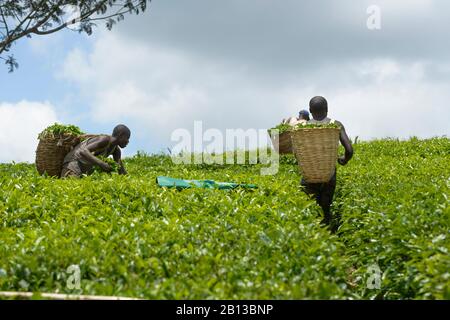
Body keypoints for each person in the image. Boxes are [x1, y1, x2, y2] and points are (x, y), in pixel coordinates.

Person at [301, 96, 353, 230]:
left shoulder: (303, 127)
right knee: (325, 206)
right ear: (327, 109)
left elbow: (297, 150)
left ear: (310, 110)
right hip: (329, 173)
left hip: (309, 172)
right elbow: (349, 150)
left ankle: (312, 237)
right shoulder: (336, 124)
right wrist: (344, 159)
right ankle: (329, 235)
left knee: (309, 207)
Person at [61, 124, 130, 178]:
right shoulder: (105, 139)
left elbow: (120, 169)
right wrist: (102, 164)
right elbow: (83, 151)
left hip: (84, 170)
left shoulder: (116, 151)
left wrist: (130, 180)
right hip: (72, 163)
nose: (128, 141)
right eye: (127, 138)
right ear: (120, 135)